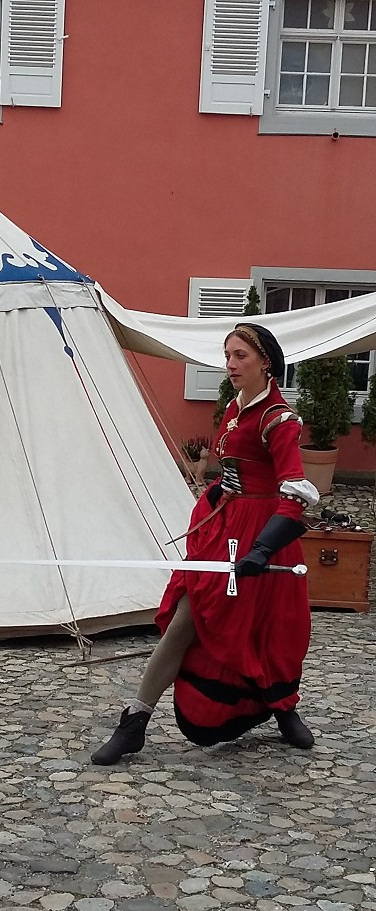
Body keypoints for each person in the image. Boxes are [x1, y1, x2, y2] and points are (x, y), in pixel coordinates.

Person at [92, 323, 319, 766]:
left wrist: (262, 549)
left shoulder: (279, 420)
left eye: (241, 357)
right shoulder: (235, 410)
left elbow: (295, 493)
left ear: (265, 362)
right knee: (186, 619)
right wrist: (214, 497)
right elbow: (234, 472)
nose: (230, 365)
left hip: (264, 536)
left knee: (272, 628)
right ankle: (134, 721)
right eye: (227, 355)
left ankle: (284, 709)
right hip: (224, 533)